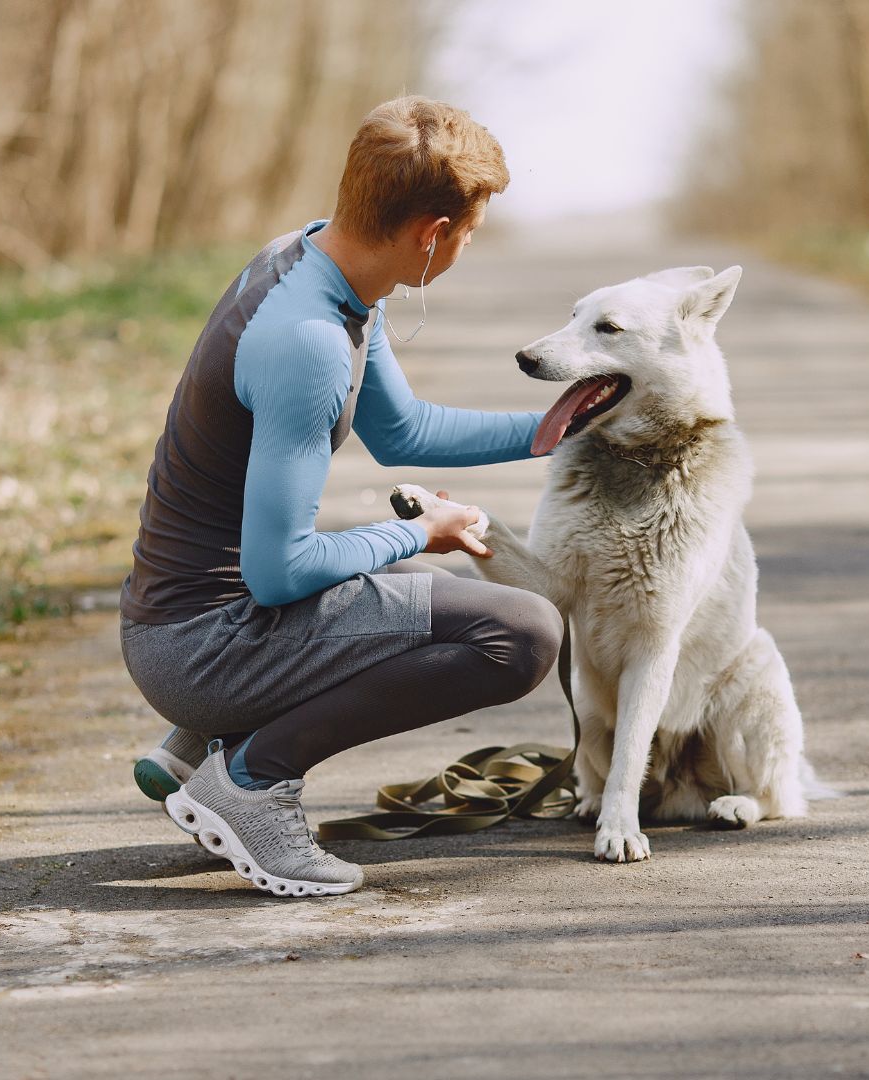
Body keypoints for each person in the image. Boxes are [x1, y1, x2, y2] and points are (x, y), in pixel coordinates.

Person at [116, 97, 561, 897]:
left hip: (179, 617)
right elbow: (280, 572)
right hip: (201, 643)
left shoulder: (316, 261)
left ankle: (196, 746)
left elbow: (405, 433)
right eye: (469, 231)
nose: (467, 245)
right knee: (519, 632)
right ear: (432, 233)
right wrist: (420, 531)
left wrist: (551, 429)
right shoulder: (310, 345)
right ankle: (251, 779)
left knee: (433, 598)